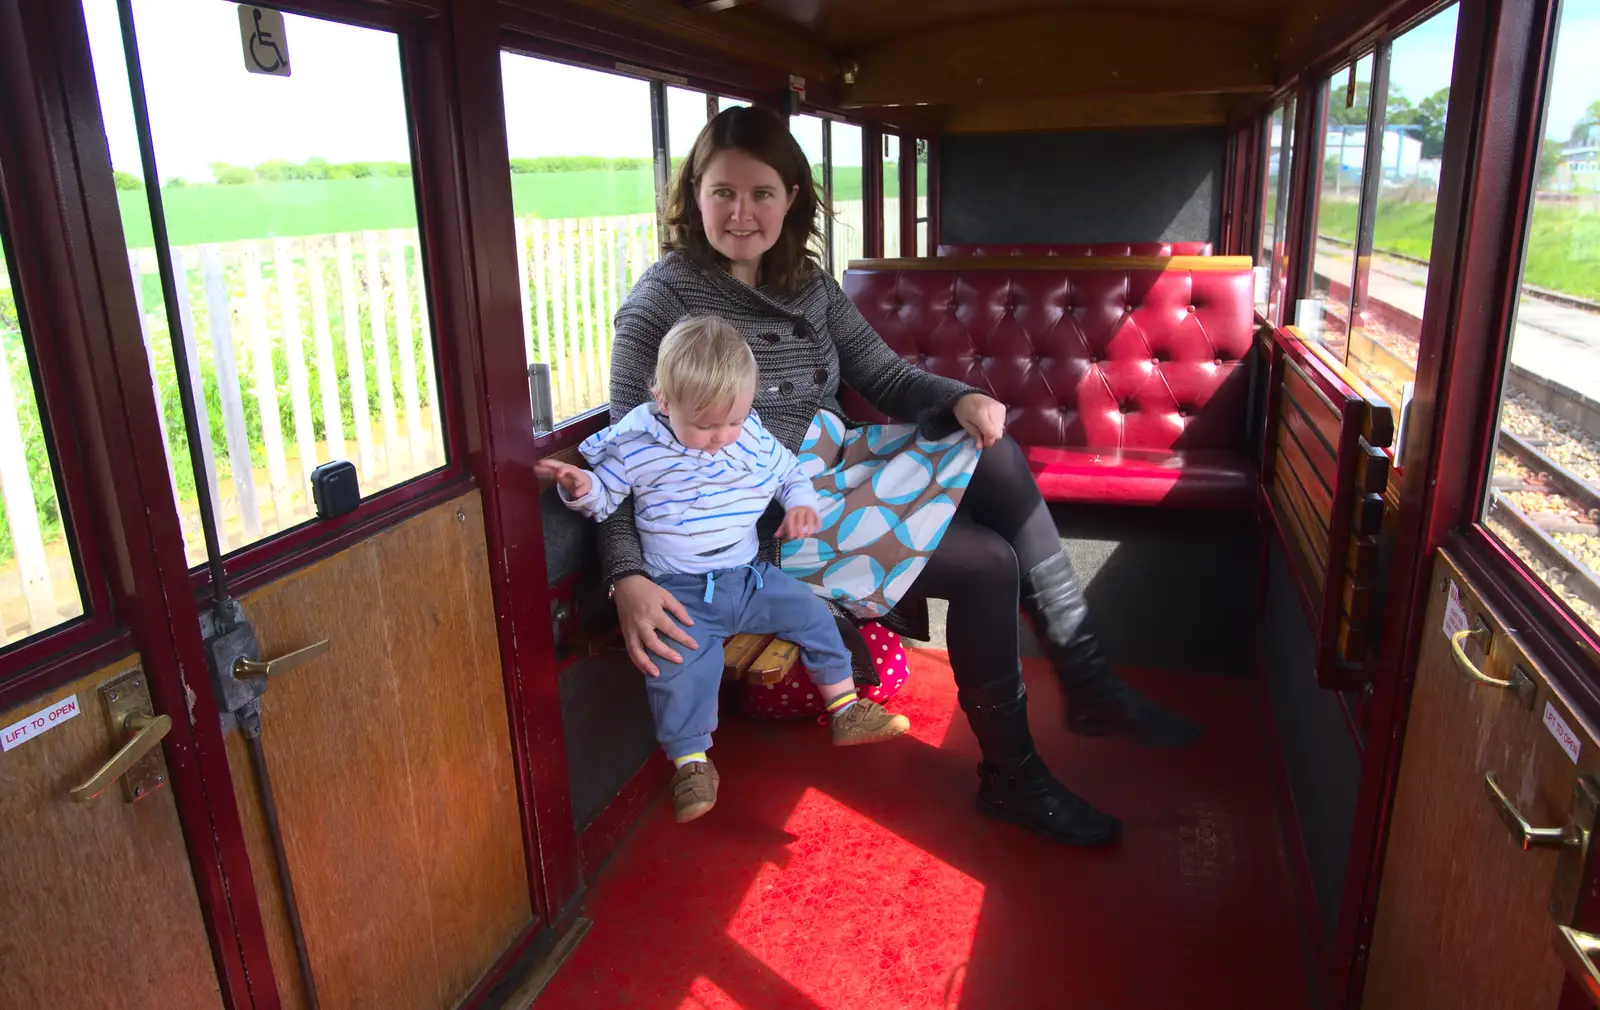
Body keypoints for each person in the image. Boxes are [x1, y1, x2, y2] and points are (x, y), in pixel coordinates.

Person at [598, 105, 1203, 847]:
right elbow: (618, 454)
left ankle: (1084, 674)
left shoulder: (808, 286)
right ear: (694, 195)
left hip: (833, 474)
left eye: (762, 193)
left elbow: (883, 374)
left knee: (994, 446)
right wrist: (625, 576)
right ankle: (1022, 773)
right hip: (753, 529)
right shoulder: (663, 302)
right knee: (986, 562)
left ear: (792, 198)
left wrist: (962, 398)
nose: (742, 212)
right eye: (723, 192)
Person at [538, 314, 912, 824]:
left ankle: (845, 709)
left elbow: (788, 474)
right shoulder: (637, 443)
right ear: (665, 402)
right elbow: (607, 499)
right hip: (678, 588)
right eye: (707, 425)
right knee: (679, 665)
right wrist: (579, 488)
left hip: (748, 577)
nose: (721, 437)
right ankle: (691, 764)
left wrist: (801, 503)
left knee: (814, 614)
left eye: (732, 421)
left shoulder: (749, 437)